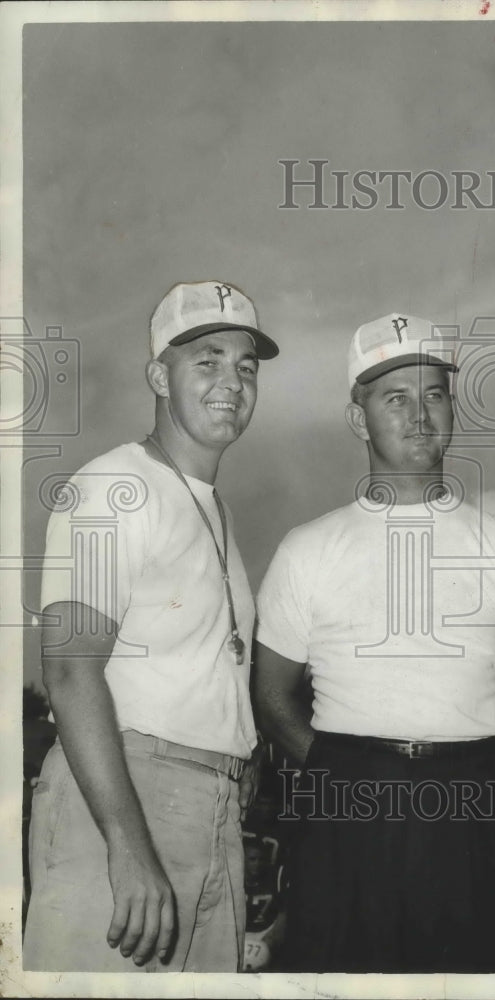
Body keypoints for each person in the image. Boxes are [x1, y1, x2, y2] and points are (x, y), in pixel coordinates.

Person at [252, 313, 495, 973]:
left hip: (471, 807)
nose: (420, 414)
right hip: (345, 806)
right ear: (359, 417)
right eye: (395, 397)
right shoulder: (308, 547)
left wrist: (459, 768)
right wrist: (351, 771)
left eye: (435, 393)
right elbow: (272, 697)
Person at [23, 280, 278, 972]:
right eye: (208, 360)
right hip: (127, 797)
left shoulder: (211, 509)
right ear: (158, 377)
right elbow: (70, 671)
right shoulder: (115, 485)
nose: (232, 381)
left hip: (213, 808)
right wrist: (128, 846)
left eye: (246, 366)